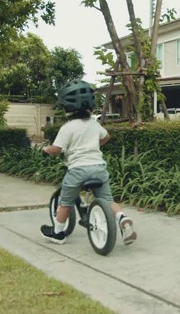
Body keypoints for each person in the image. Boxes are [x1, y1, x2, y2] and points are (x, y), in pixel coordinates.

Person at [40, 79, 137, 246]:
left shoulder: (67, 127)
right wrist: (93, 145)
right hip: (99, 168)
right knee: (107, 199)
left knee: (65, 202)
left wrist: (46, 150)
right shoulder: (94, 124)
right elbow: (106, 137)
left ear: (66, 107)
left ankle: (57, 234)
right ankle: (122, 217)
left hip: (78, 170)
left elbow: (57, 148)